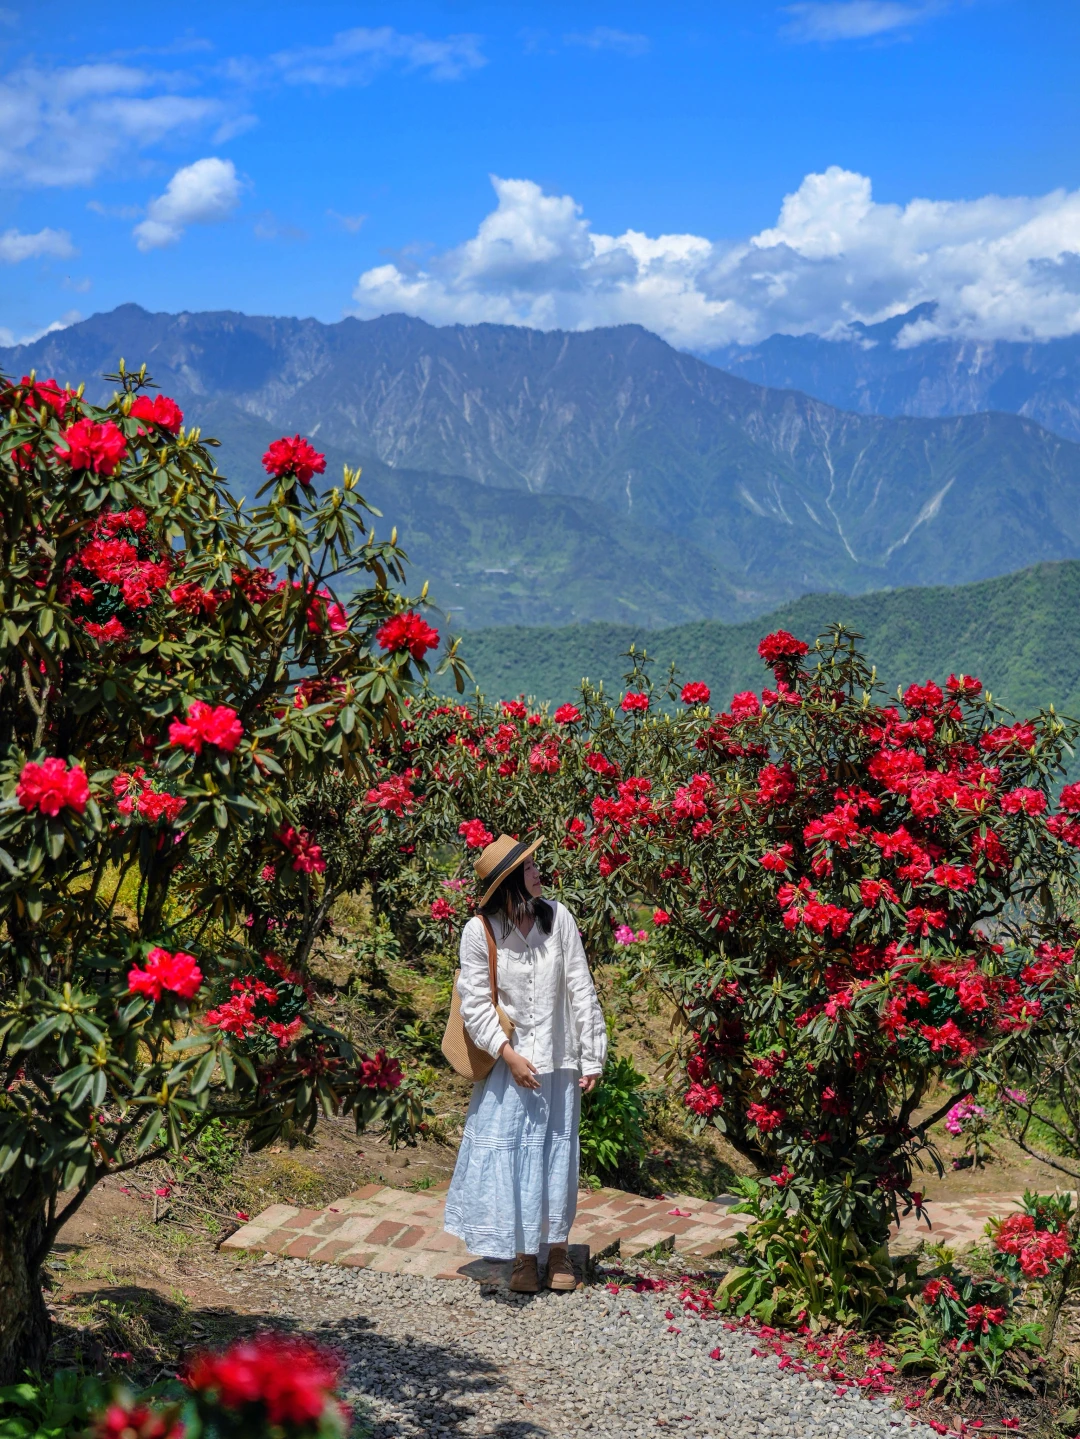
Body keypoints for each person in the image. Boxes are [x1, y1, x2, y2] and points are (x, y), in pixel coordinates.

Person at [443, 833, 607, 1293]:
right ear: (513, 881)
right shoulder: (481, 932)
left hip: (559, 1063)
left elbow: (580, 985)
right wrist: (508, 1056)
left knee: (556, 1154)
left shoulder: (559, 919)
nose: (540, 873)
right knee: (516, 1156)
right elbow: (474, 1003)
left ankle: (557, 1249)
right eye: (531, 868)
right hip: (508, 1065)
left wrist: (591, 1054)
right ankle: (522, 1255)